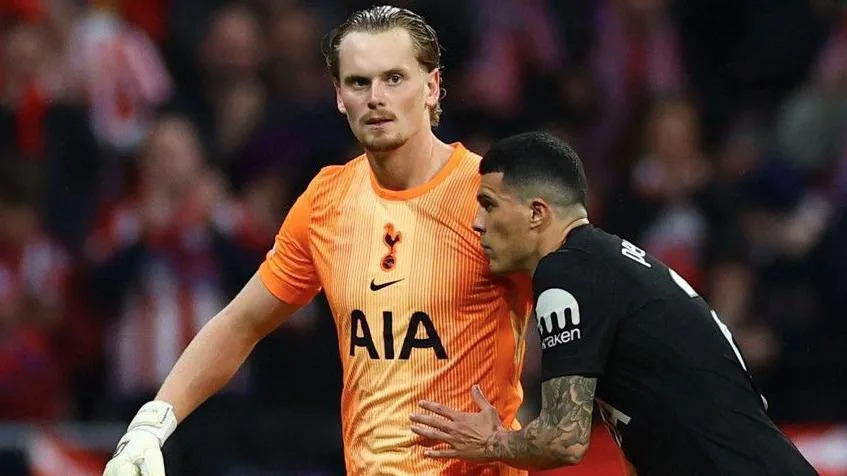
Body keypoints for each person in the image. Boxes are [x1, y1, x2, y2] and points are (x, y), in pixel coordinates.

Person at [103, 6, 533, 476]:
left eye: (394, 79)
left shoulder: (491, 196)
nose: (375, 98)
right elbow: (241, 323)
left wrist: (519, 440)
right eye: (358, 82)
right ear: (339, 97)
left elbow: (590, 314)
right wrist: (152, 424)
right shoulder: (327, 201)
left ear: (432, 87)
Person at [409, 131, 818, 475]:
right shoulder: (610, 263)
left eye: (489, 205)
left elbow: (563, 439)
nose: (477, 223)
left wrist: (491, 441)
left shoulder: (565, 272)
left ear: (537, 212)